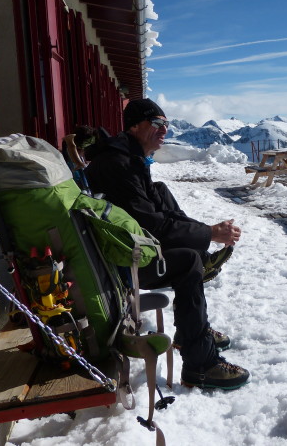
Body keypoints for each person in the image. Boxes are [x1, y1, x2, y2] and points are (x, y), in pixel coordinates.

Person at [85, 98, 249, 390]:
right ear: (135, 126)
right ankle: (200, 365)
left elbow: (154, 217)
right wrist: (209, 232)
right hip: (125, 264)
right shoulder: (120, 165)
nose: (165, 130)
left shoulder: (129, 158)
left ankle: (193, 326)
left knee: (161, 193)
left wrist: (202, 234)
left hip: (126, 249)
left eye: (167, 124)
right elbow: (153, 225)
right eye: (158, 124)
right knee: (187, 262)